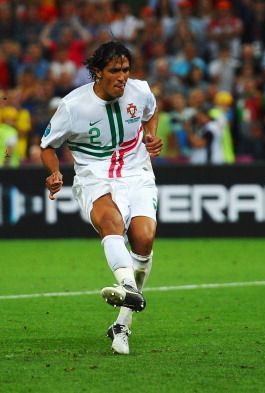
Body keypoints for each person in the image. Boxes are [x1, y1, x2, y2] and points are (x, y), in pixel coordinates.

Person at [39, 41, 163, 355]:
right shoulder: (73, 106)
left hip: (137, 172)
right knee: (112, 222)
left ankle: (122, 323)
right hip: (96, 175)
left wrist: (149, 135)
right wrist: (55, 173)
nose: (122, 77)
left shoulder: (140, 91)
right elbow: (47, 146)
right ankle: (130, 288)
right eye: (114, 71)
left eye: (125, 70)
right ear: (97, 72)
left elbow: (152, 112)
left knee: (144, 239)